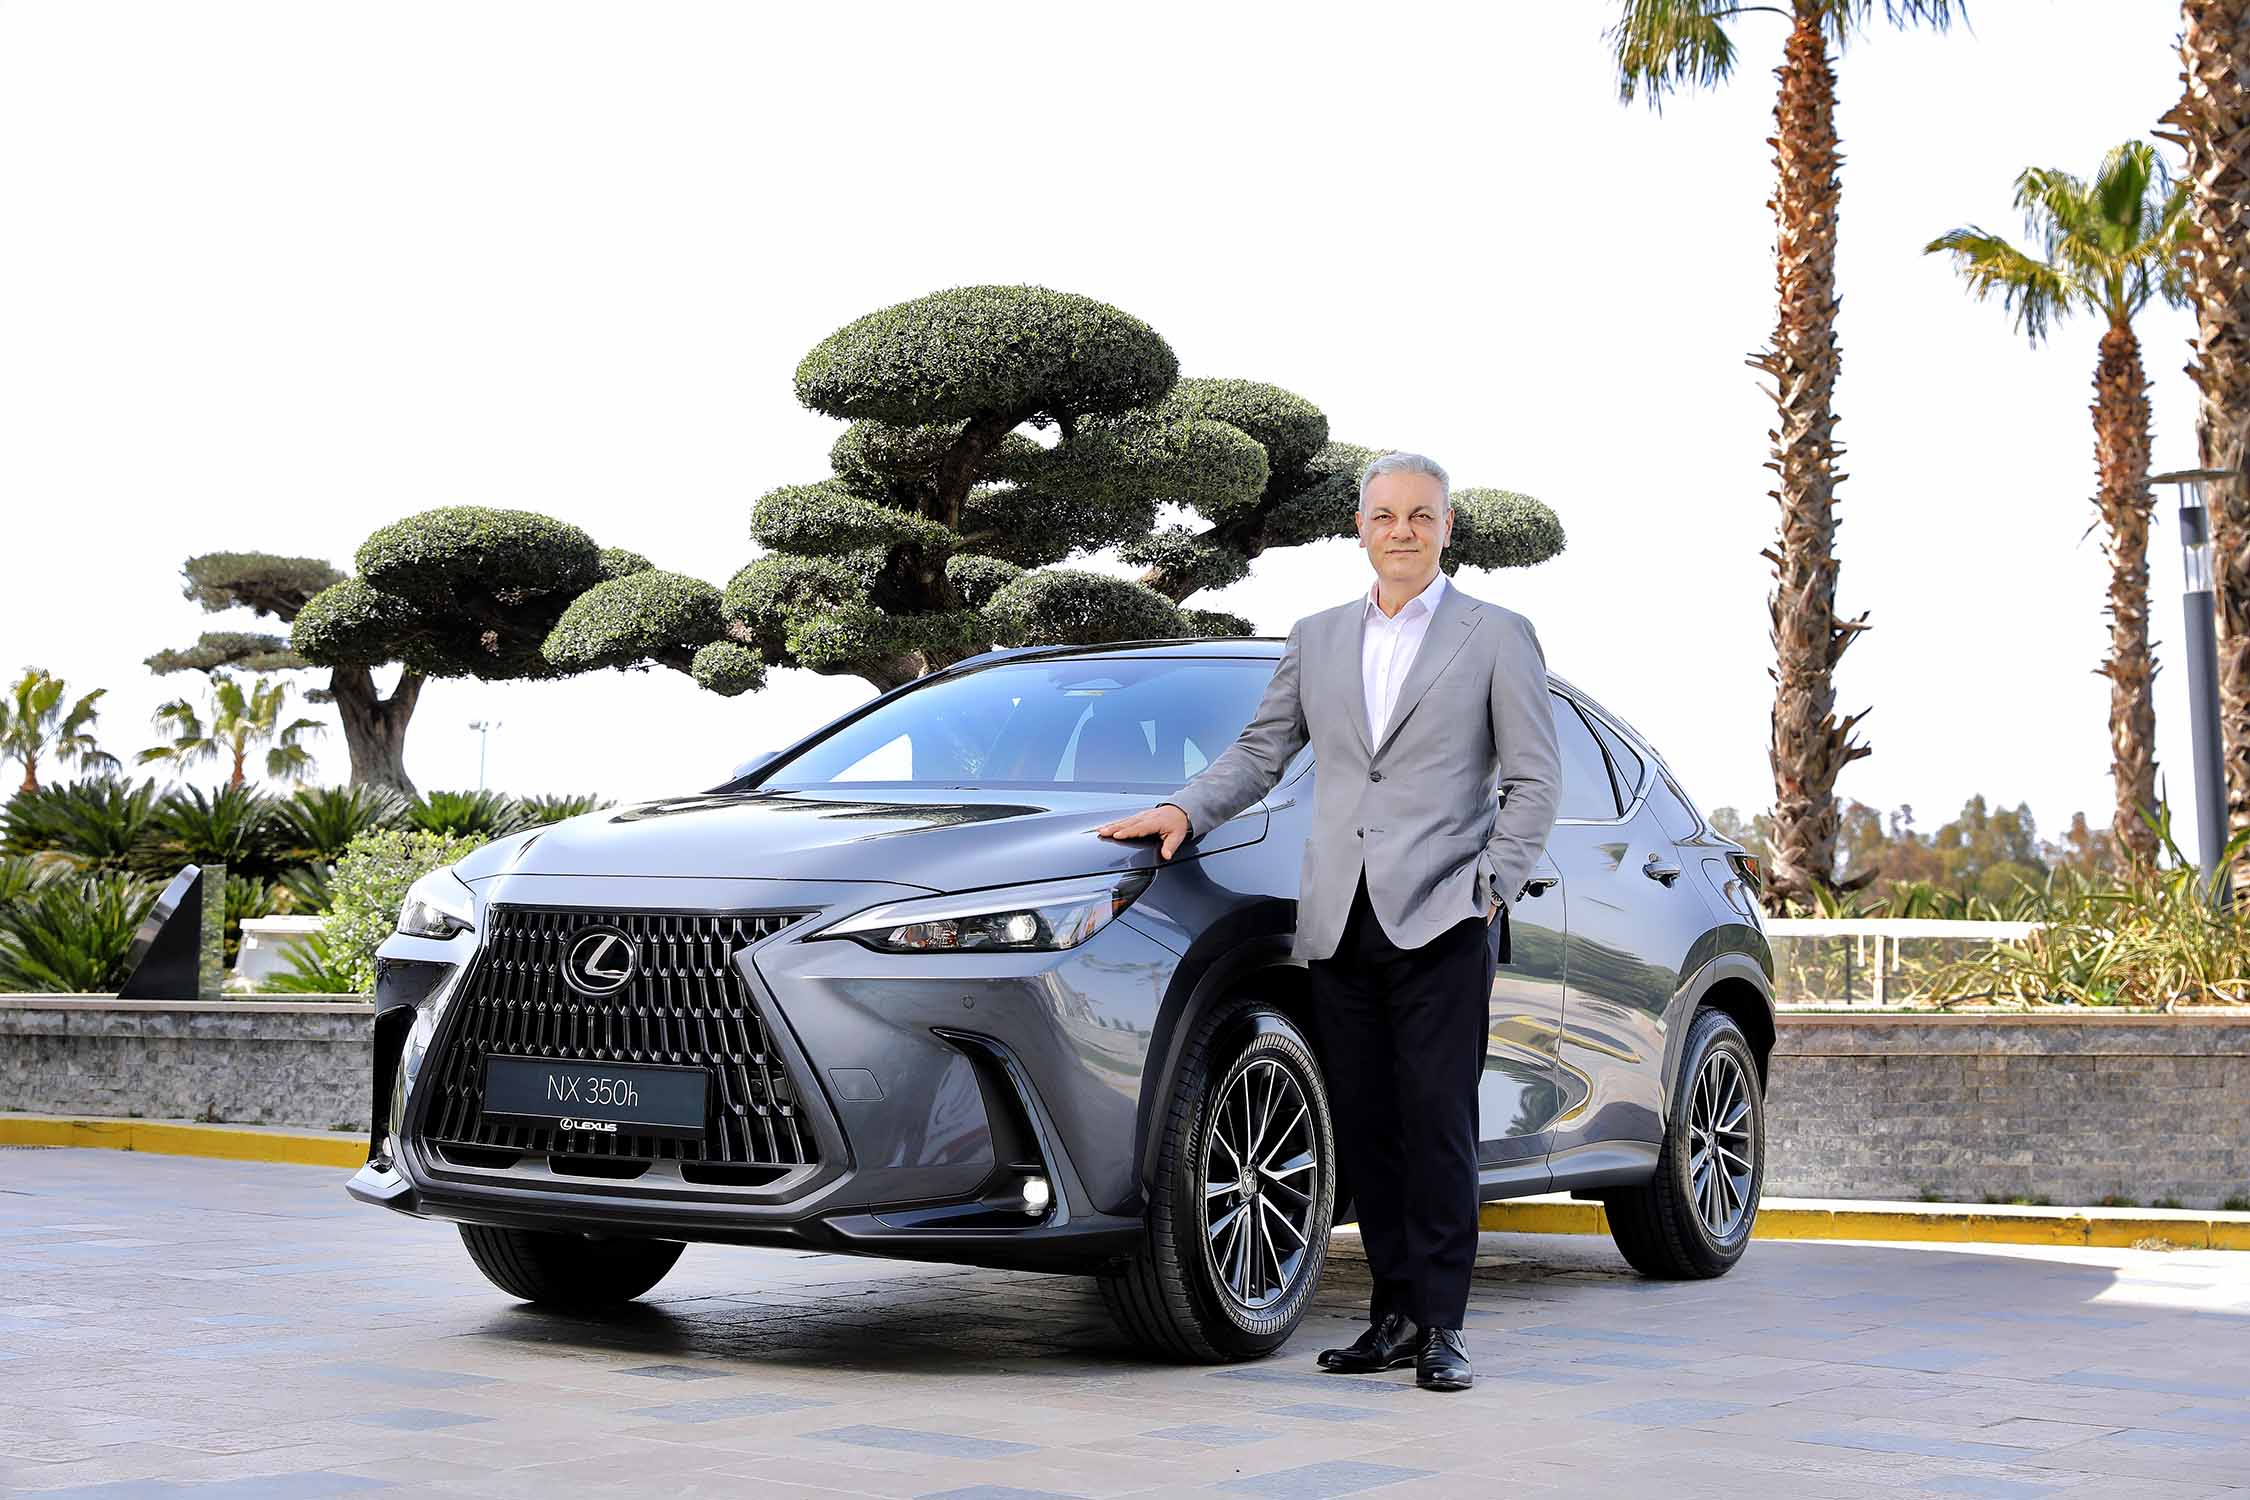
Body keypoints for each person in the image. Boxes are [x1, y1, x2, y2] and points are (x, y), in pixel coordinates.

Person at [1095, 450, 1561, 1392]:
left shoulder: (1497, 636)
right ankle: (1393, 1316)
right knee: (1365, 1122)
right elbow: (1261, 750)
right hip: (1339, 916)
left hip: (1443, 915)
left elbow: (1534, 777)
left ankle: (1443, 1325)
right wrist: (1184, 809)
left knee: (1437, 1124)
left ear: (1447, 528)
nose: (1402, 531)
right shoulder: (1316, 638)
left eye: (1421, 516)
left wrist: (1491, 885)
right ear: (1361, 528)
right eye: (1385, 515)